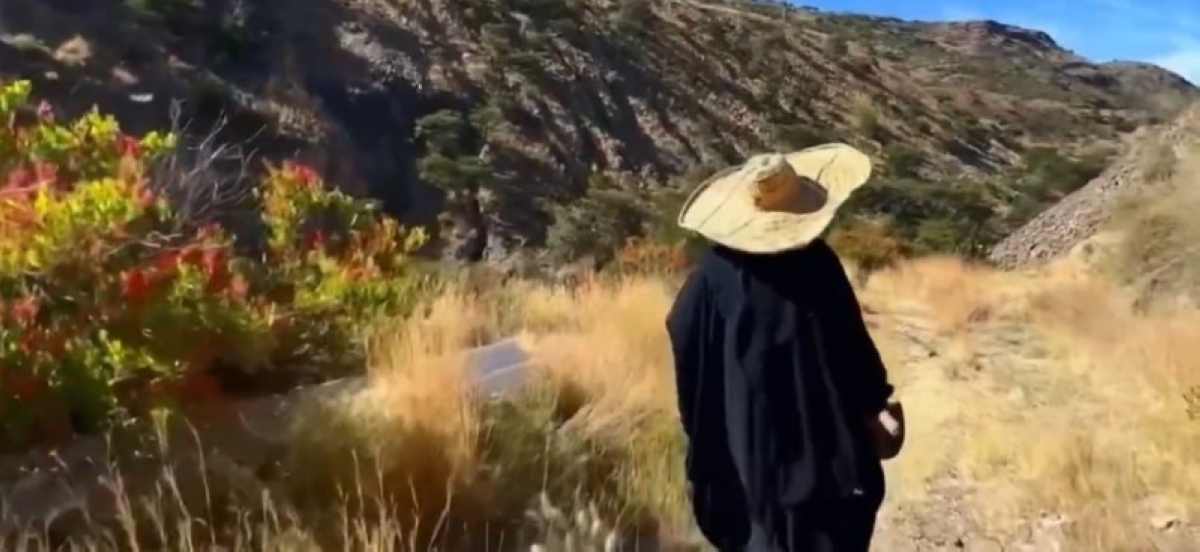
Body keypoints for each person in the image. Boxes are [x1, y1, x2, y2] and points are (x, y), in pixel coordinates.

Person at [666, 144, 906, 552]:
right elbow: (853, 355)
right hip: (827, 468)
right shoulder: (819, 265)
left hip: (749, 463)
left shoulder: (710, 277)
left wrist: (705, 431)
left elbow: (686, 344)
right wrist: (874, 403)